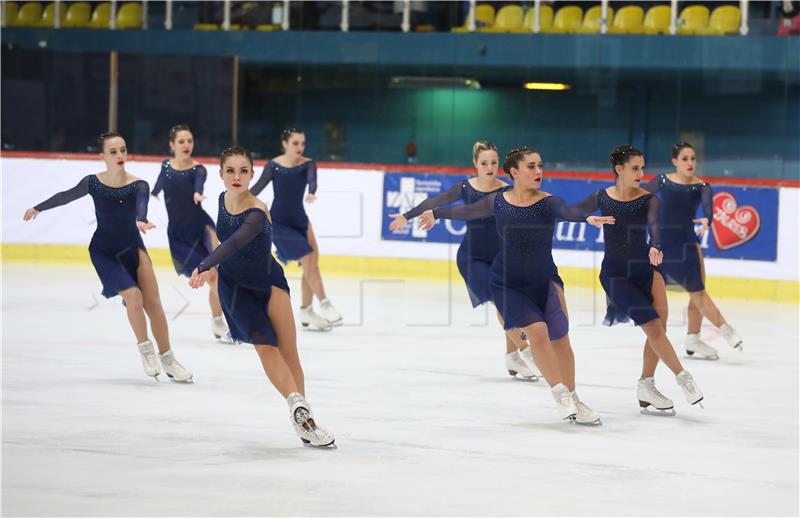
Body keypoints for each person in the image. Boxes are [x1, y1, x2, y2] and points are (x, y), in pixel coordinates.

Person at [417, 147, 603, 424]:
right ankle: (560, 393)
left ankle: (574, 396)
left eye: (540, 165)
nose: (538, 171)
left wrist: (586, 217)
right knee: (538, 332)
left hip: (544, 280)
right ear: (514, 172)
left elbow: (568, 210)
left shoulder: (548, 202)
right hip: (508, 282)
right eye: (531, 166)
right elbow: (468, 210)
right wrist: (437, 213)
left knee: (561, 340)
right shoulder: (497, 201)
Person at [190, 145, 334, 446]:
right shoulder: (220, 199)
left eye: (244, 171)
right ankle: (297, 406)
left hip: (268, 282)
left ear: (253, 174)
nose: (237, 176)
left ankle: (305, 423)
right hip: (235, 290)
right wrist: (211, 266)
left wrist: (205, 264)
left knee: (289, 351)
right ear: (221, 174)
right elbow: (224, 245)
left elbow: (234, 243)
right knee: (266, 347)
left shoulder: (257, 211)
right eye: (230, 170)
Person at [23, 132, 193, 382]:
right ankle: (146, 350)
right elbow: (65, 196)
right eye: (113, 152)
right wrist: (38, 207)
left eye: (123, 150)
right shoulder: (93, 183)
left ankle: (169, 359)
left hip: (132, 248)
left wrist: (142, 220)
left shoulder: (139, 185)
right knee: (134, 298)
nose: (120, 155)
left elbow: (141, 206)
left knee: (153, 305)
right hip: (104, 251)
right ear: (102, 156)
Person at [390, 141, 540, 380]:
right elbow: (435, 201)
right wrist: (406, 216)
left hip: (501, 256)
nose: (489, 167)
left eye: (493, 162)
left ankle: (512, 357)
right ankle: (526, 350)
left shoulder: (506, 190)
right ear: (475, 164)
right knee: (499, 300)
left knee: (507, 301)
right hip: (472, 258)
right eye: (484, 163)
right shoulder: (466, 187)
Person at [577, 145, 704, 415]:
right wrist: (587, 217)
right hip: (615, 275)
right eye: (635, 168)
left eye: (642, 168)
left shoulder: (649, 199)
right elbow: (571, 210)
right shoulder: (602, 196)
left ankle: (646, 385)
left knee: (661, 327)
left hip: (646, 271)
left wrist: (656, 246)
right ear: (619, 169)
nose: (641, 173)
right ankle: (683, 377)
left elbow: (655, 229)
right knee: (654, 328)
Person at [642, 142, 743, 360]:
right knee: (667, 298)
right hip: (662, 246)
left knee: (697, 291)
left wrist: (707, 219)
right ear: (675, 161)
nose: (690, 163)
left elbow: (708, 209)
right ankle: (726, 330)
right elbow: (639, 197)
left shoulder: (703, 186)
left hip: (687, 244)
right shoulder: (662, 181)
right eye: (685, 158)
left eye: (693, 158)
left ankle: (693, 338)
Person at [251, 128, 342, 331]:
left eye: (302, 143)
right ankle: (325, 303)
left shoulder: (308, 164)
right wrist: (238, 200)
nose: (300, 147)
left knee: (313, 264)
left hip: (301, 221)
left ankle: (306, 310)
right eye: (295, 143)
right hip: (280, 223)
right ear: (285, 144)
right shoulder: (274, 166)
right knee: (309, 259)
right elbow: (257, 188)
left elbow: (312, 180)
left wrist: (311, 192)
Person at [151, 124, 231, 342]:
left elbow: (199, 184)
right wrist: (153, 194)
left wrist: (197, 194)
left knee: (218, 273)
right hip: (180, 235)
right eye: (181, 141)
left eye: (190, 141)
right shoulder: (165, 166)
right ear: (172, 145)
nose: (186, 145)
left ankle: (222, 322)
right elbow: (160, 182)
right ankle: (220, 322)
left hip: (202, 227)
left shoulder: (199, 169)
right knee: (211, 275)